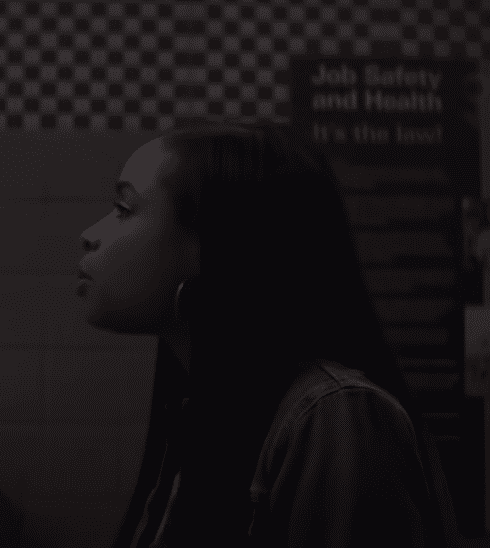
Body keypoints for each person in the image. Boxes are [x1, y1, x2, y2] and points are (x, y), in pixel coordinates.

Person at [76, 121, 463, 547]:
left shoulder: (332, 414)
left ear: (219, 241)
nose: (88, 235)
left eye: (124, 208)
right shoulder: (204, 403)